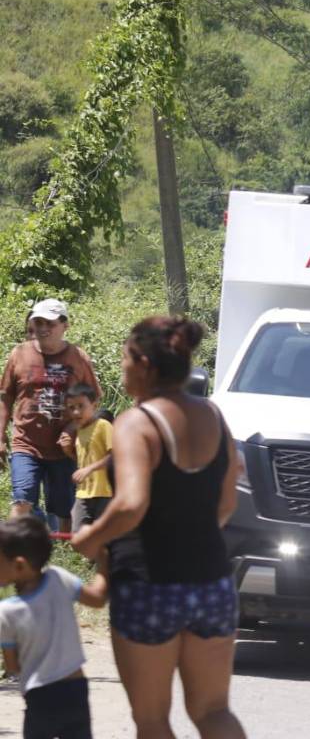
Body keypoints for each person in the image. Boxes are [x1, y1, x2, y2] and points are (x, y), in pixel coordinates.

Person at [71, 317, 246, 739]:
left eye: (125, 358)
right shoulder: (214, 418)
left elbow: (132, 503)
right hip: (212, 585)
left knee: (152, 720)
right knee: (213, 711)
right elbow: (227, 501)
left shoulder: (137, 421)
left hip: (149, 585)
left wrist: (92, 537)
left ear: (145, 364)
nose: (121, 366)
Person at [0, 515, 108, 739]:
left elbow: (12, 666)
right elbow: (98, 599)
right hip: (76, 688)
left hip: (40, 696)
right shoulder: (59, 578)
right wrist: (104, 560)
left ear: (19, 564)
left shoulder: (6, 612)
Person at [1, 299, 101, 534]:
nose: (43, 328)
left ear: (65, 325)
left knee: (62, 510)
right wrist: (1, 437)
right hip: (26, 443)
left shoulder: (77, 357)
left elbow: (94, 398)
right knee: (22, 501)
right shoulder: (19, 354)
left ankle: (63, 556)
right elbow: (5, 396)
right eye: (38, 322)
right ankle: (13, 556)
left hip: (63, 449)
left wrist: (73, 428)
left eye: (50, 323)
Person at [61, 384, 113, 529]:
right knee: (78, 535)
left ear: (94, 405)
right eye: (71, 408)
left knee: (102, 536)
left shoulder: (103, 426)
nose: (76, 412)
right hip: (83, 493)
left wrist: (89, 469)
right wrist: (67, 450)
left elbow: (114, 456)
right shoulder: (80, 430)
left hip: (105, 492)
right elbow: (83, 461)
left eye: (81, 406)